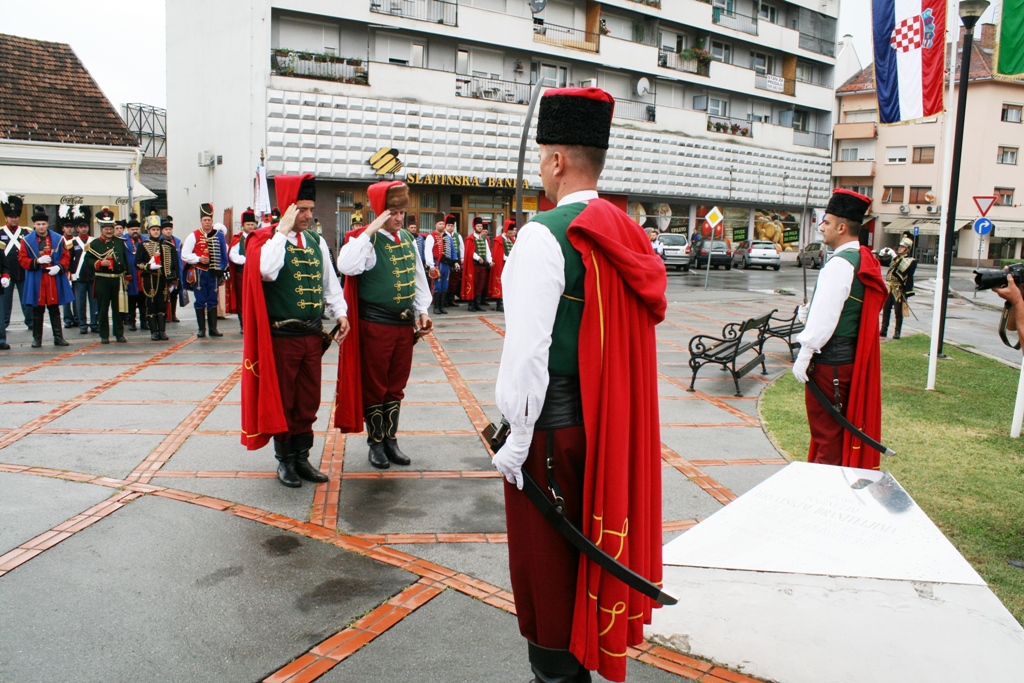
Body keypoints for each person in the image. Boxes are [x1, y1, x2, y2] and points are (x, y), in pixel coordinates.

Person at [492, 87, 667, 683]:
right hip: (607, 426)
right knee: (584, 556)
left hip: (551, 433)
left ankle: (556, 674)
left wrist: (517, 439)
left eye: (543, 156)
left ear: (558, 160)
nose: (541, 168)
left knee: (546, 572)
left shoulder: (545, 233)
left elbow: (527, 351)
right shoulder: (628, 232)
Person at [240, 173, 349, 488]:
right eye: (301, 209)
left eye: (310, 209)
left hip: (312, 336)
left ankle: (302, 457)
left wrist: (340, 313)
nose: (308, 215)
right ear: (287, 209)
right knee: (285, 400)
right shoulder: (264, 240)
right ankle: (285, 461)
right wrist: (282, 231)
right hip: (281, 338)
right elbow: (266, 271)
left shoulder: (316, 241)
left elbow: (330, 282)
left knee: (308, 400)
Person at [336, 180, 433, 469]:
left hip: (403, 326)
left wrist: (422, 310)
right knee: (375, 385)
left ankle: (391, 440)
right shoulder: (366, 241)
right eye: (393, 213)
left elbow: (417, 277)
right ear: (380, 213)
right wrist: (370, 230)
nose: (399, 218)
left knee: (396, 385)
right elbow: (346, 266)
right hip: (375, 326)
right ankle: (376, 443)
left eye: (402, 212)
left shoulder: (408, 239)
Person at [792, 189, 887, 468]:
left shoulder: (840, 264)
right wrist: (808, 313)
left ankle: (825, 491)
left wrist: (805, 352)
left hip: (829, 363)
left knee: (827, 438)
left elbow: (827, 317)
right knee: (833, 434)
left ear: (842, 227)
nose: (822, 227)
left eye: (827, 222)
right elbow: (839, 310)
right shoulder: (861, 257)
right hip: (844, 360)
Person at [19, 205, 73, 348]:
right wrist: (37, 261)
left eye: (43, 224)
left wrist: (59, 267)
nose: (41, 227)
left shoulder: (58, 238)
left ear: (47, 224)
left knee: (54, 309)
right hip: (37, 278)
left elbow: (66, 257)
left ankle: (58, 338)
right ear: (34, 225)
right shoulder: (26, 240)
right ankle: (37, 339)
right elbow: (22, 259)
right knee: (37, 310)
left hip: (52, 277)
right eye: (38, 224)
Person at [181, 203, 228, 338]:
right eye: (205, 220)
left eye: (209, 220)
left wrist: (223, 273)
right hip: (199, 272)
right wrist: (198, 259)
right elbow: (184, 254)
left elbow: (224, 256)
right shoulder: (194, 235)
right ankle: (201, 329)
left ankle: (213, 328)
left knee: (213, 300)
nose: (207, 222)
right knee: (200, 300)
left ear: (212, 221)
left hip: (214, 273)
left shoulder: (219, 235)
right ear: (201, 221)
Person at [84, 207, 130, 344]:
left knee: (119, 309)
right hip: (102, 280)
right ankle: (104, 334)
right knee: (103, 309)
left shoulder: (120, 242)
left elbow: (125, 260)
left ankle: (119, 334)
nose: (109, 231)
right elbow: (87, 261)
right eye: (106, 229)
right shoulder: (94, 244)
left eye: (111, 228)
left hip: (118, 280)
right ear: (101, 229)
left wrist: (127, 277)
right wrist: (99, 263)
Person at [135, 213, 180, 341]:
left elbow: (175, 264)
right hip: (150, 279)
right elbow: (137, 263)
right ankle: (153, 332)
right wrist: (148, 266)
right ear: (149, 231)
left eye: (157, 229)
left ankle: (162, 331)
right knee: (151, 305)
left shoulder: (168, 245)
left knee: (162, 305)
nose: (155, 232)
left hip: (164, 280)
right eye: (153, 229)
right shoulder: (142, 245)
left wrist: (174, 279)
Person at [1, 193, 32, 338]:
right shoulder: (1, 232)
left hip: (22, 271)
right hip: (6, 273)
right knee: (5, 301)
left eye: (16, 216)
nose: (13, 219)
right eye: (11, 216)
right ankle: (3, 324)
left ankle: (30, 321)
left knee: (26, 299)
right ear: (6, 218)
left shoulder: (26, 232)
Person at [227, 208, 257, 333]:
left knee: (256, 299)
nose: (250, 227)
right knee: (243, 299)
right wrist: (248, 260)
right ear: (243, 225)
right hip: (242, 273)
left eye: (252, 224)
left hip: (256, 273)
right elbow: (232, 255)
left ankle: (255, 325)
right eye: (248, 224)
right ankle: (243, 325)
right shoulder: (238, 239)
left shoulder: (258, 237)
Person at [880, 236, 917, 339]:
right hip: (889, 287)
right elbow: (881, 262)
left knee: (898, 312)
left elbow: (902, 273)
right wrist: (881, 254)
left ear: (907, 249)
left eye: (902, 247)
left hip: (899, 289)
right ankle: (883, 330)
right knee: (886, 309)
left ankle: (897, 332)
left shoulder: (910, 261)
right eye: (900, 246)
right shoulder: (896, 259)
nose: (900, 248)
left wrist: (907, 292)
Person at [69, 209, 98, 335]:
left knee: (94, 302)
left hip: (92, 276)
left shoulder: (94, 241)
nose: (84, 229)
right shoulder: (72, 243)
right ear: (77, 228)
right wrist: (70, 274)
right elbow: (69, 260)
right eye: (81, 227)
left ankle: (94, 324)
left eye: (85, 226)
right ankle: (82, 324)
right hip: (79, 277)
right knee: (80, 303)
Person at [424, 214, 455, 315]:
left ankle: (442, 307)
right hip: (437, 263)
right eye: (440, 224)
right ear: (435, 225)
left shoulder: (446, 237)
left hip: (446, 264)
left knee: (445, 285)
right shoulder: (431, 236)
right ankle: (436, 307)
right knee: (437, 285)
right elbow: (428, 251)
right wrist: (431, 265)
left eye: (443, 224)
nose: (442, 225)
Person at [461, 216, 493, 311]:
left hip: (482, 266)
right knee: (473, 284)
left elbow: (487, 251)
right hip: (474, 265)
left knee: (480, 285)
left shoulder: (484, 238)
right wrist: (478, 258)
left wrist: (490, 261)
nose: (480, 228)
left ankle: (477, 304)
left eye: (481, 226)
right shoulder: (470, 238)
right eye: (478, 226)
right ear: (474, 227)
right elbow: (470, 251)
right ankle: (471, 304)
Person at [488, 219, 516, 312]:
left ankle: (506, 302)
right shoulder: (498, 240)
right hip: (501, 265)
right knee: (500, 284)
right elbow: (499, 254)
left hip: (509, 265)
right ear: (505, 231)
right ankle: (499, 304)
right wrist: (509, 259)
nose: (510, 235)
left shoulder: (511, 240)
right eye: (509, 233)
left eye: (511, 233)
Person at [123, 214, 144, 331]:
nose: (135, 231)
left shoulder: (145, 240)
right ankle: (131, 322)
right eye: (132, 229)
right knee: (131, 301)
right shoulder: (123, 241)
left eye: (136, 229)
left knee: (143, 301)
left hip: (143, 275)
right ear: (128, 230)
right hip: (131, 274)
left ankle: (144, 321)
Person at [161, 218, 184, 323]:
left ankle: (173, 314)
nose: (168, 231)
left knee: (174, 294)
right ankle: (164, 314)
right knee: (164, 294)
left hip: (176, 271)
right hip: (164, 271)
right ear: (162, 231)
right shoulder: (159, 241)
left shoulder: (178, 242)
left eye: (170, 229)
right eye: (166, 229)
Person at [59, 213, 79, 329]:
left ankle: (77, 318)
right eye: (67, 227)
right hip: (64, 272)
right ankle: (67, 319)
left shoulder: (77, 241)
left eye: (71, 227)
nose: (69, 229)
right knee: (66, 296)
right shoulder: (59, 240)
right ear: (63, 228)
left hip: (75, 272)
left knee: (76, 297)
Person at [445, 215, 463, 308]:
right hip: (447, 261)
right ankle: (444, 300)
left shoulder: (457, 236)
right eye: (448, 225)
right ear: (445, 226)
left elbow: (461, 248)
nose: (450, 227)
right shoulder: (443, 235)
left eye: (452, 226)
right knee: (447, 281)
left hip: (457, 261)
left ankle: (451, 299)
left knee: (454, 281)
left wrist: (462, 258)